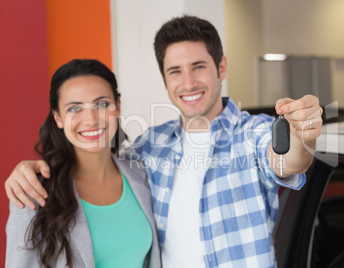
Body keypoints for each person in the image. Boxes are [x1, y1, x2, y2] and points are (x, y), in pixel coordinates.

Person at [5, 16, 323, 267]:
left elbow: (286, 161)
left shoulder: (253, 133)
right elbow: (95, 157)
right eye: (175, 71)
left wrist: (302, 137)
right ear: (165, 80)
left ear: (221, 67)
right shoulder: (149, 147)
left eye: (199, 66)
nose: (187, 82)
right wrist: (29, 167)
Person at [5, 59, 160, 268]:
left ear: (118, 106)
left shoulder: (142, 176)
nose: (91, 119)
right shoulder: (34, 192)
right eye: (74, 108)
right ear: (58, 118)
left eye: (102, 104)